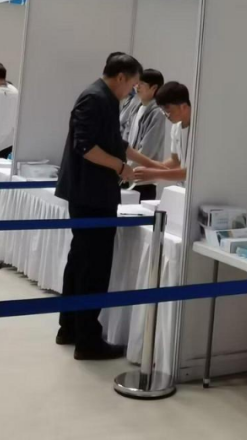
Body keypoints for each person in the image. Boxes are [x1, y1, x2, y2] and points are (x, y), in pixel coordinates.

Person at [55, 52, 170, 359]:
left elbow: (117, 143)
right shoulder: (95, 98)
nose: (133, 90)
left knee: (80, 261)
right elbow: (86, 147)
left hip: (91, 193)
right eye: (132, 84)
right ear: (121, 77)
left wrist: (153, 165)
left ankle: (71, 328)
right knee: (92, 266)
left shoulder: (105, 99)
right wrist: (120, 168)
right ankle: (87, 339)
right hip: (90, 195)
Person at [130, 80, 191, 186]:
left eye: (167, 109)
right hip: (183, 188)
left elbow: (190, 172)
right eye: (162, 110)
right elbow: (175, 160)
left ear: (183, 106)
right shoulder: (176, 127)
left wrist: (155, 174)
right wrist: (147, 170)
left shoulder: (200, 131)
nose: (166, 114)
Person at [121, 68, 167, 200]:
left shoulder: (158, 113)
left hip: (144, 180)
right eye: (137, 83)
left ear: (154, 88)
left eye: (142, 84)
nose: (137, 86)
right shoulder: (135, 108)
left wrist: (126, 169)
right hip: (127, 175)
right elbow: (125, 139)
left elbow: (147, 150)